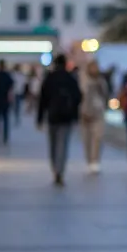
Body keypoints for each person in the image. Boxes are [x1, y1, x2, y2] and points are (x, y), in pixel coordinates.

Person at [37, 54, 83, 186]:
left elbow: (42, 99)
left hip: (53, 116)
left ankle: (55, 167)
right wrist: (75, 115)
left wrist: (40, 118)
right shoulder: (70, 79)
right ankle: (60, 169)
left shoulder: (50, 79)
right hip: (66, 117)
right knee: (63, 144)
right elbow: (78, 97)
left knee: (53, 144)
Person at [79, 59, 110, 174]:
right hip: (84, 114)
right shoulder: (83, 81)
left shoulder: (101, 82)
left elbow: (105, 95)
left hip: (98, 114)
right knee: (87, 139)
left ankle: (95, 160)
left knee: (97, 138)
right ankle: (89, 160)